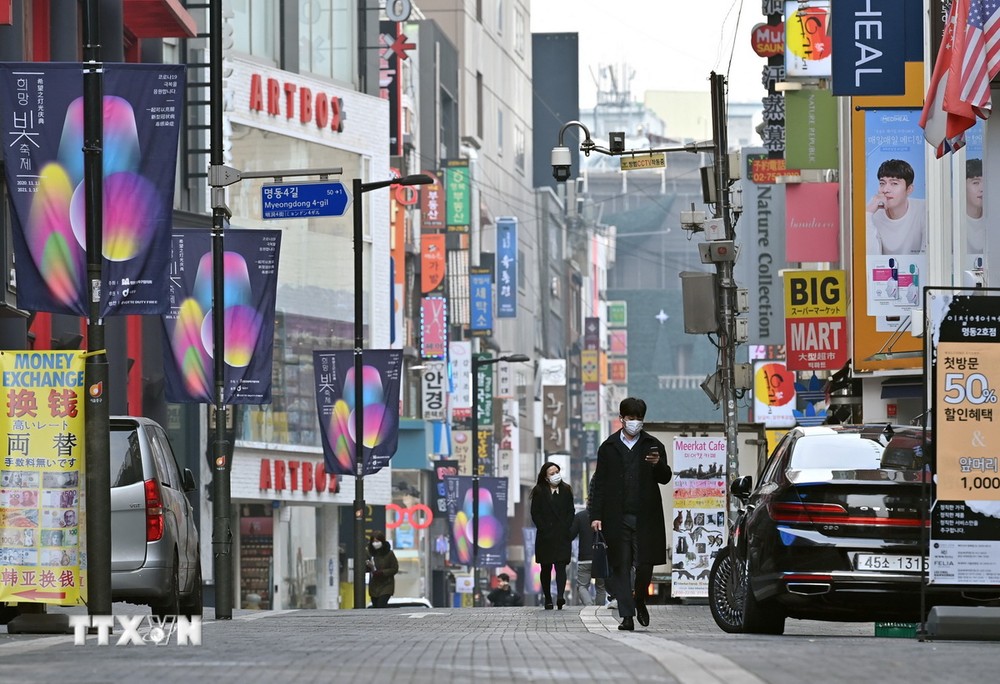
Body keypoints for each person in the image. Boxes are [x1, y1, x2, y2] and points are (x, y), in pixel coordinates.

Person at [589, 397, 672, 631]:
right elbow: (600, 484)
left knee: (645, 565)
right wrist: (596, 515)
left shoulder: (653, 445)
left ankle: (640, 599)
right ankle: (626, 616)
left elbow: (664, 478)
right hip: (617, 518)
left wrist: (658, 465)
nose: (635, 422)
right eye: (631, 418)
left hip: (646, 517)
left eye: (639, 418)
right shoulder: (608, 447)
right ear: (621, 419)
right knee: (621, 566)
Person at [530, 461, 574, 610]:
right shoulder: (539, 491)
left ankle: (560, 596)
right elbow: (535, 513)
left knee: (561, 566)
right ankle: (548, 598)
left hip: (562, 535)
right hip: (545, 536)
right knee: (546, 567)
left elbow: (571, 511)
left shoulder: (567, 490)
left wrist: (566, 526)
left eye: (557, 472)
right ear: (546, 477)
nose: (556, 475)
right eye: (552, 473)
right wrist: (544, 528)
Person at [865, 159, 927, 255]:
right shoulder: (873, 214)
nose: (885, 190)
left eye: (894, 183)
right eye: (882, 183)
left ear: (909, 189)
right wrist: (867, 214)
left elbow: (929, 259)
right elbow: (870, 259)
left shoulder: (924, 209)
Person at [570, 507, 608, 606]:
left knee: (582, 586)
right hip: (601, 558)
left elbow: (570, 534)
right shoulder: (605, 517)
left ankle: (589, 605)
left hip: (584, 558)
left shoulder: (580, 516)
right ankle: (600, 608)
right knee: (601, 587)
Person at [365, 531, 398, 608]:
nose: (375, 543)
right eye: (373, 541)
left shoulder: (389, 554)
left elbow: (395, 568)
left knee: (381, 604)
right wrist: (368, 567)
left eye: (377, 541)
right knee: (375, 606)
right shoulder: (369, 553)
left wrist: (382, 572)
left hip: (387, 584)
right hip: (374, 585)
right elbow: (364, 567)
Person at [966, 158, 985, 256]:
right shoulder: (951, 219)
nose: (982, 189)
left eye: (985, 182)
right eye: (975, 183)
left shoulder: (994, 218)